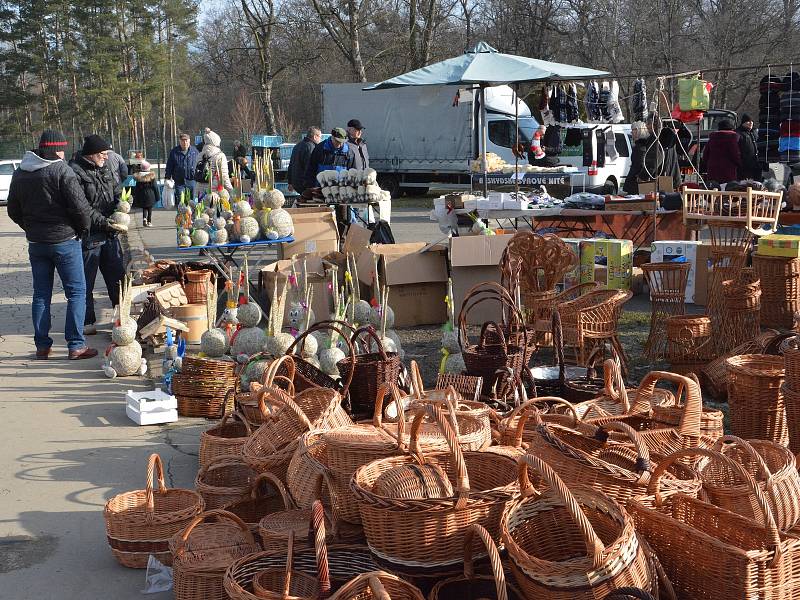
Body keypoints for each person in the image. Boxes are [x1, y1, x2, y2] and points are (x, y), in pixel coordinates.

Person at [7, 130, 98, 360]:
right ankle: (76, 345)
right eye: (62, 148)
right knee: (76, 293)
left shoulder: (21, 173)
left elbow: (12, 210)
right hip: (65, 241)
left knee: (41, 294)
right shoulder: (61, 170)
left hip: (37, 244)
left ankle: (42, 346)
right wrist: (82, 230)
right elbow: (81, 209)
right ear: (54, 149)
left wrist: (30, 228)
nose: (64, 153)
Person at [70, 134, 126, 336]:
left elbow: (115, 189)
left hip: (110, 235)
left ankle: (121, 317)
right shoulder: (75, 172)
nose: (106, 157)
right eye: (103, 154)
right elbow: (82, 207)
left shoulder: (104, 168)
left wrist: (121, 204)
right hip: (89, 236)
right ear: (92, 154)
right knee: (86, 281)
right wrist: (104, 223)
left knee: (118, 278)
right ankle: (87, 321)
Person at [623, 121, 664, 195]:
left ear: (640, 130)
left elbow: (642, 163)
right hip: (636, 180)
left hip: (637, 182)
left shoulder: (641, 147)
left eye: (634, 130)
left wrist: (641, 176)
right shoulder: (640, 145)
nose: (632, 132)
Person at [702, 119, 742, 186]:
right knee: (727, 190)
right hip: (728, 170)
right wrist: (740, 164)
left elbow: (705, 155)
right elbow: (735, 154)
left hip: (713, 169)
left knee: (714, 189)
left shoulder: (712, 138)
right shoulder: (732, 138)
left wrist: (707, 164)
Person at [165, 133, 200, 201]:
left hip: (192, 181)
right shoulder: (174, 152)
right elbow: (169, 166)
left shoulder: (195, 151)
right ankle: (181, 211)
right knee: (181, 202)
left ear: (189, 141)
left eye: (186, 140)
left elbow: (199, 164)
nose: (185, 142)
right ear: (180, 141)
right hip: (179, 182)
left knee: (192, 202)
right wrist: (167, 178)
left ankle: (192, 212)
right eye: (183, 140)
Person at [288, 126, 321, 194]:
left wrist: (290, 182)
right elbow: (309, 167)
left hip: (296, 183)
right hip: (305, 184)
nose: (320, 139)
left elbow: (291, 165)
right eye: (320, 137)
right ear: (315, 137)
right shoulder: (312, 148)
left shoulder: (297, 146)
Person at [201, 128, 233, 192]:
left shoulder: (199, 155)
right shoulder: (220, 156)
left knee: (199, 202)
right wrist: (231, 190)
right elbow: (224, 176)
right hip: (213, 191)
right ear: (216, 141)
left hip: (199, 190)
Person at [132, 160, 160, 227]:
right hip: (151, 195)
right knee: (149, 209)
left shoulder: (139, 178)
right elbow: (155, 187)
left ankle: (144, 218)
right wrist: (158, 196)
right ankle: (149, 221)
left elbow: (137, 189)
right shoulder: (151, 177)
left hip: (142, 196)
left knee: (144, 208)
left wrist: (136, 197)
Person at [737, 114, 761, 181]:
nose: (751, 123)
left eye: (752, 121)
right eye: (748, 121)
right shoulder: (738, 133)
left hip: (757, 165)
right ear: (743, 123)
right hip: (745, 166)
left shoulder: (755, 132)